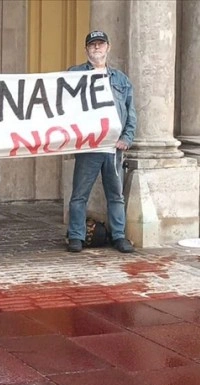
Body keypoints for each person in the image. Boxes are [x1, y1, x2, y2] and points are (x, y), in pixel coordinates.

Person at [67, 30, 137, 254]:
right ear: (86, 49)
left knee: (115, 195)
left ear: (108, 47)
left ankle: (119, 236)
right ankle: (76, 237)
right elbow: (60, 101)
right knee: (79, 194)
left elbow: (130, 112)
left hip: (113, 148)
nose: (97, 48)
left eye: (100, 44)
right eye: (92, 45)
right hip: (89, 146)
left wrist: (127, 138)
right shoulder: (74, 74)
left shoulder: (121, 80)